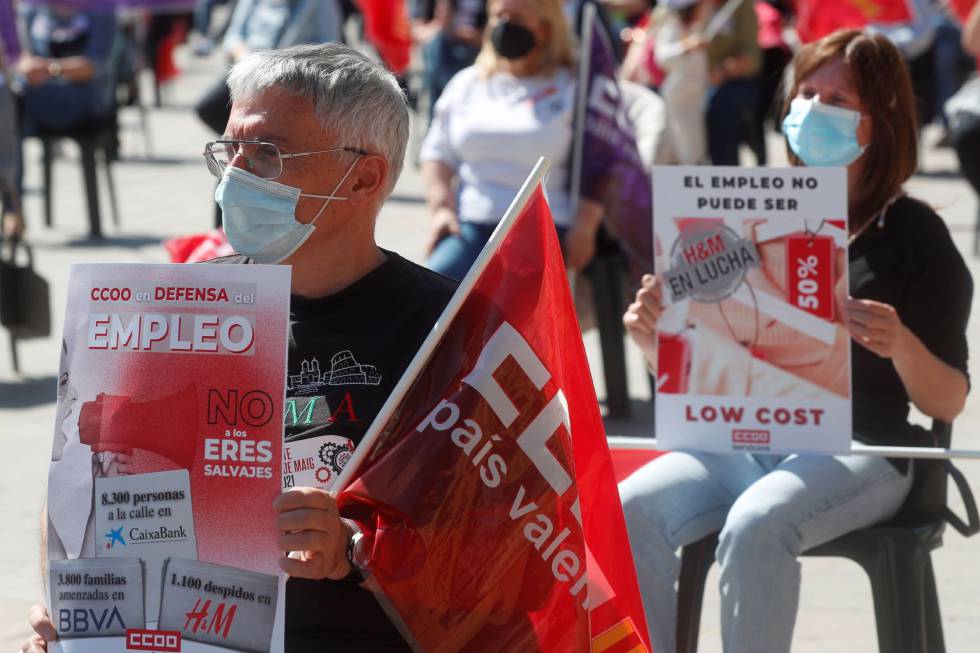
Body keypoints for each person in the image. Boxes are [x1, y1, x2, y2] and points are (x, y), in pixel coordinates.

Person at [21, 42, 457, 653]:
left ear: (364, 177)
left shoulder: (447, 330)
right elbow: (80, 487)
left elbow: (494, 549)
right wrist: (73, 614)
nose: (235, 177)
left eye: (269, 154)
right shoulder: (174, 311)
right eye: (231, 151)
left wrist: (354, 552)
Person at [619, 29, 971, 653]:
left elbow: (947, 403)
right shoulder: (755, 214)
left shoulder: (917, 235)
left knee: (760, 521)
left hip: (866, 445)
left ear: (878, 121)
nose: (812, 109)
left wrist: (902, 345)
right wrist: (656, 340)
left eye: (837, 98)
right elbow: (709, 369)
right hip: (746, 436)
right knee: (630, 507)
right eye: (806, 93)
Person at [420, 0, 603, 281]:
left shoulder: (573, 86)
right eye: (498, 16)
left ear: (544, 28)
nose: (505, 25)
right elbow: (436, 153)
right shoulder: (467, 84)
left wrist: (586, 226)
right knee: (428, 292)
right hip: (474, 228)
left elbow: (602, 160)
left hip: (546, 231)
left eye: (516, 17)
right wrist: (441, 210)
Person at [194, 0, 343, 135]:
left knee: (269, 125)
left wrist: (280, 66)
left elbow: (329, 48)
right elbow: (233, 37)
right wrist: (247, 59)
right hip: (248, 70)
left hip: (290, 78)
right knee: (208, 108)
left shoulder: (322, 4)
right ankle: (248, 147)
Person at [14, 2, 116, 134]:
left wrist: (50, 69)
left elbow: (92, 68)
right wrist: (27, 68)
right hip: (35, 94)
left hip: (85, 99)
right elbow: (22, 56)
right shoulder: (32, 8)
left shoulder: (100, 10)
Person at [702, 0, 761, 165]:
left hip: (735, 83)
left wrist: (721, 71)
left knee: (719, 104)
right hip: (697, 82)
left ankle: (725, 175)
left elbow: (752, 59)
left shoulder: (740, 5)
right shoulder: (695, 6)